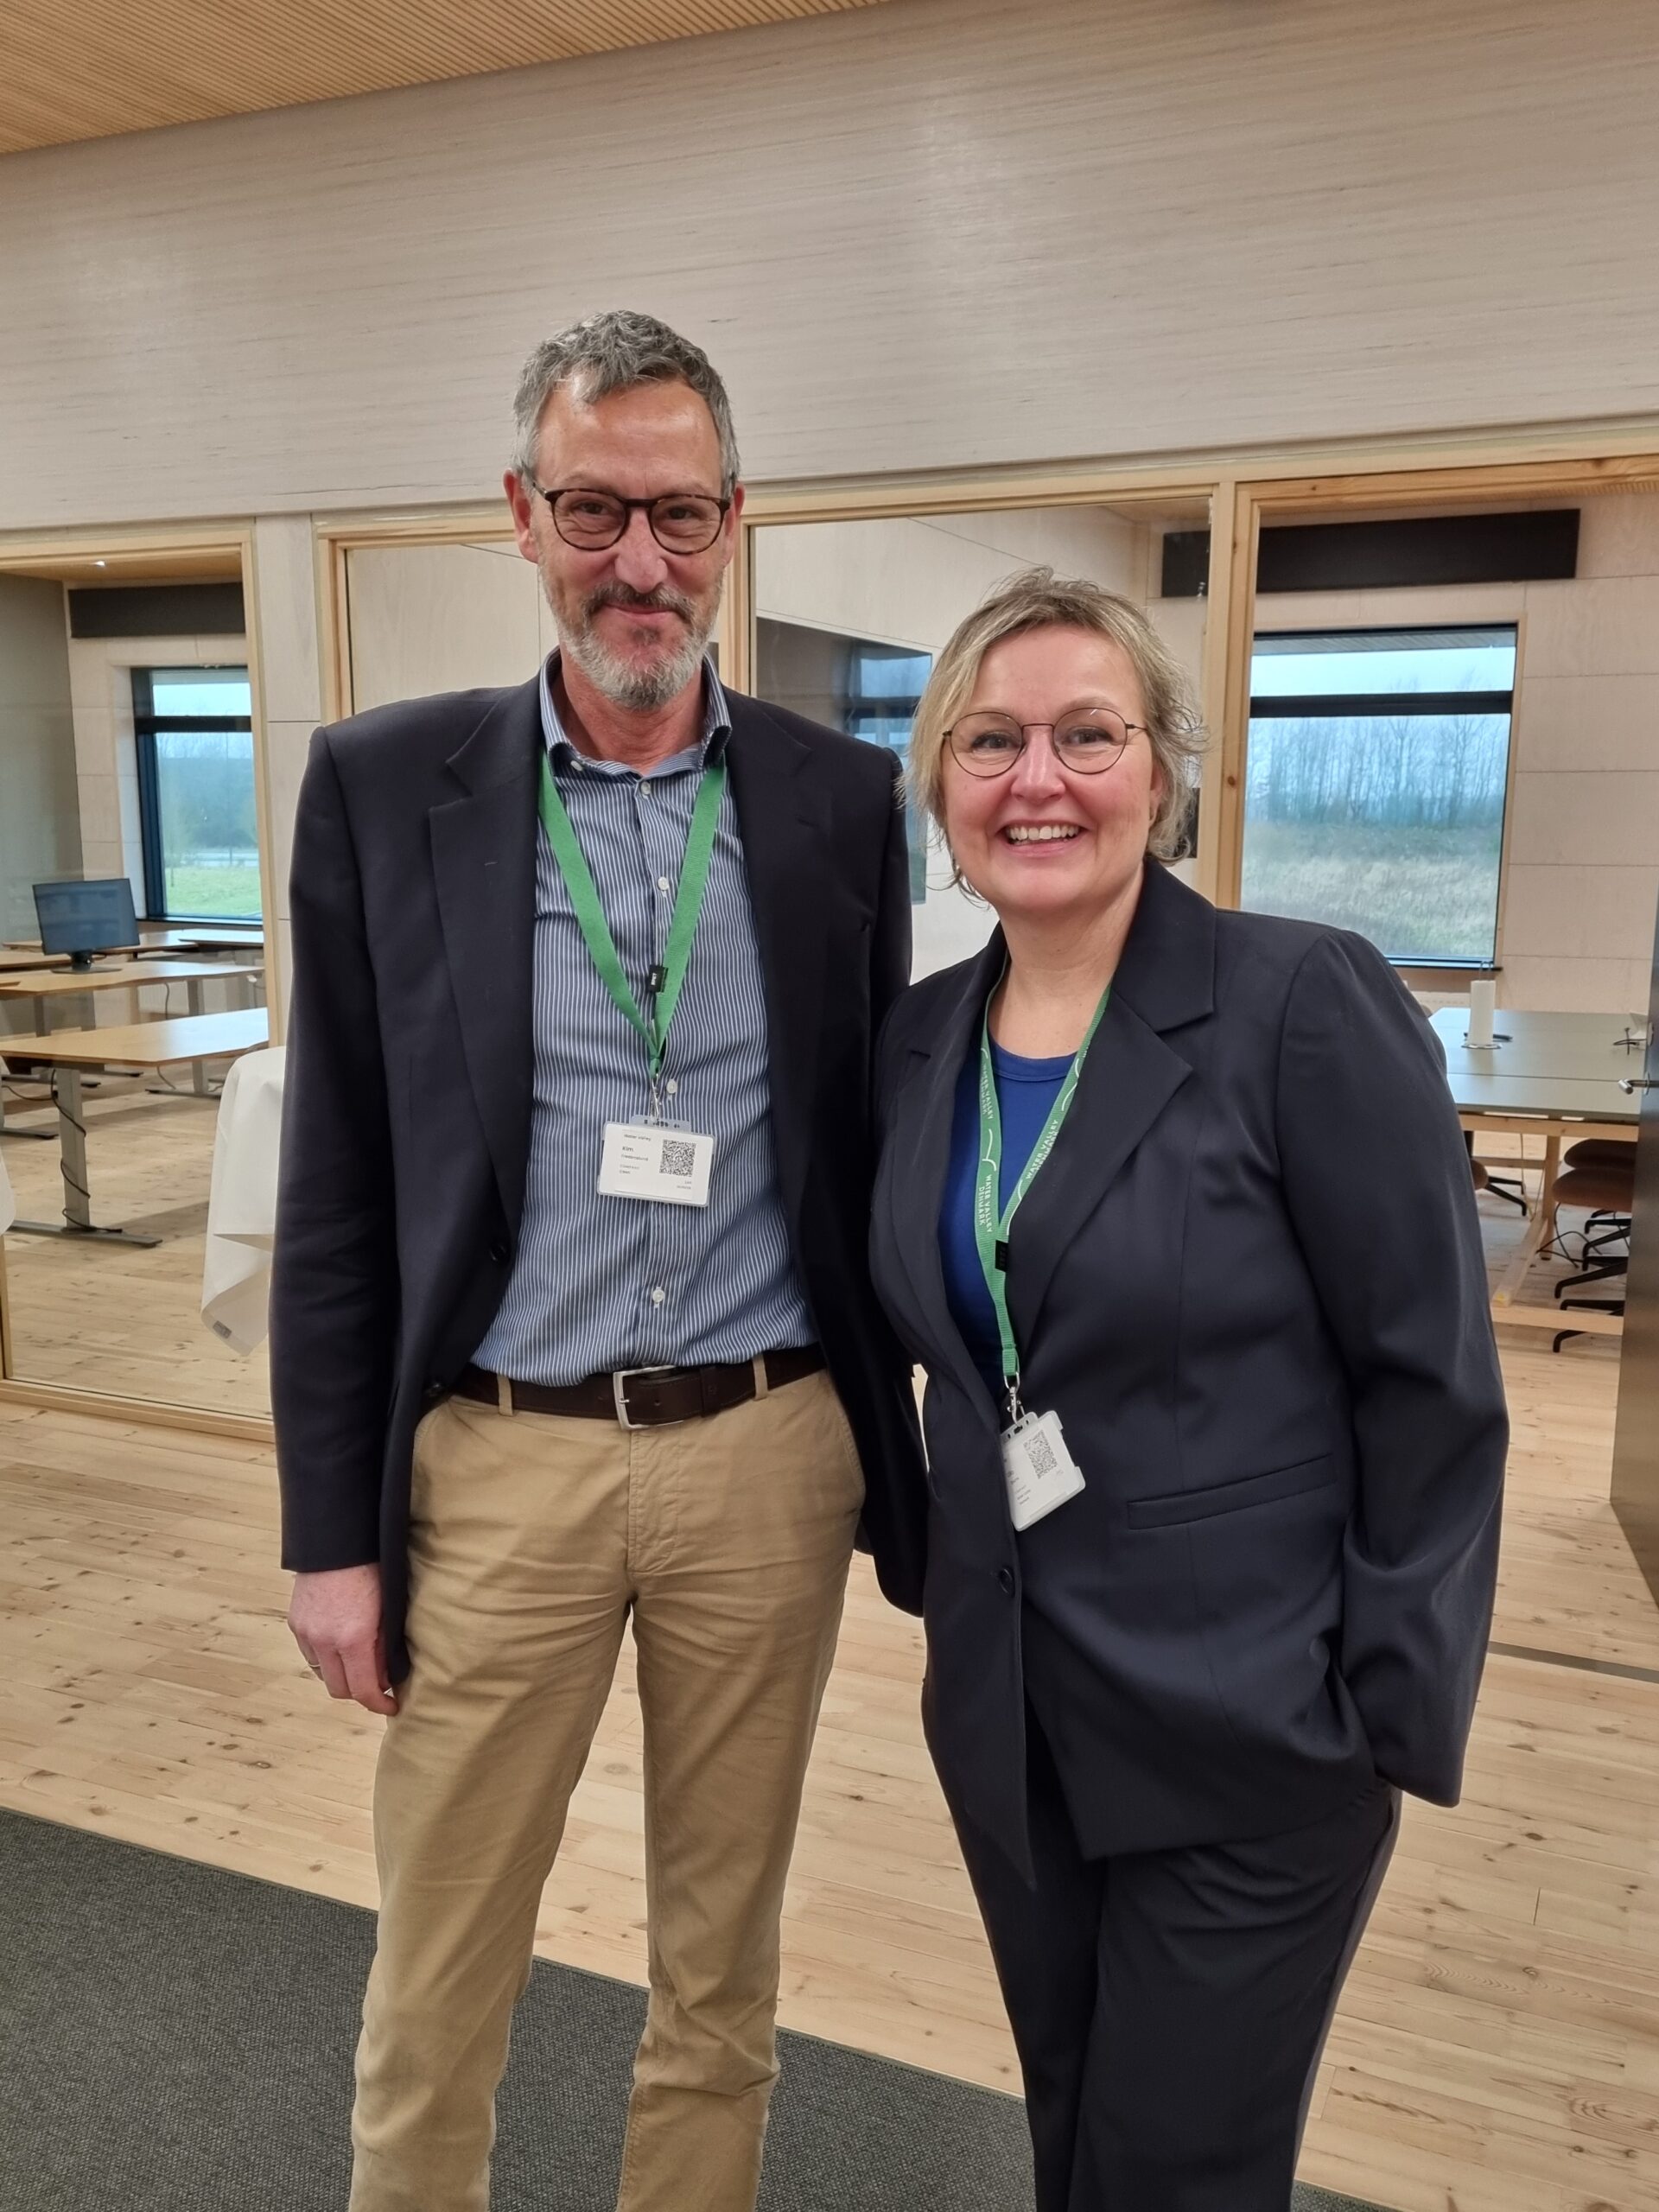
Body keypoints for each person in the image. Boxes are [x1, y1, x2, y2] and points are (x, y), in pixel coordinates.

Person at [270, 308, 926, 2212]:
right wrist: (330, 1535)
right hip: (503, 1460)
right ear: (523, 513)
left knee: (721, 1969)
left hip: (766, 1451)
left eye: (678, 515)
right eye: (593, 510)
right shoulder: (383, 784)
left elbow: (865, 1141)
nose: (640, 562)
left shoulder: (839, 800)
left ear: (732, 520)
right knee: (438, 1966)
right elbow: (335, 1188)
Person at [868, 568, 1507, 2211]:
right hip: (1014, 1720)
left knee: (1178, 2173)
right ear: (942, 784)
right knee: (1074, 2129)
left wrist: (1378, 1711)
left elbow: (1431, 1381)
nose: (1039, 779)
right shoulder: (920, 1041)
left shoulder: (1302, 1001)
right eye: (991, 741)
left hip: (1256, 1734)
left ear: (1163, 771)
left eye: (1089, 735)